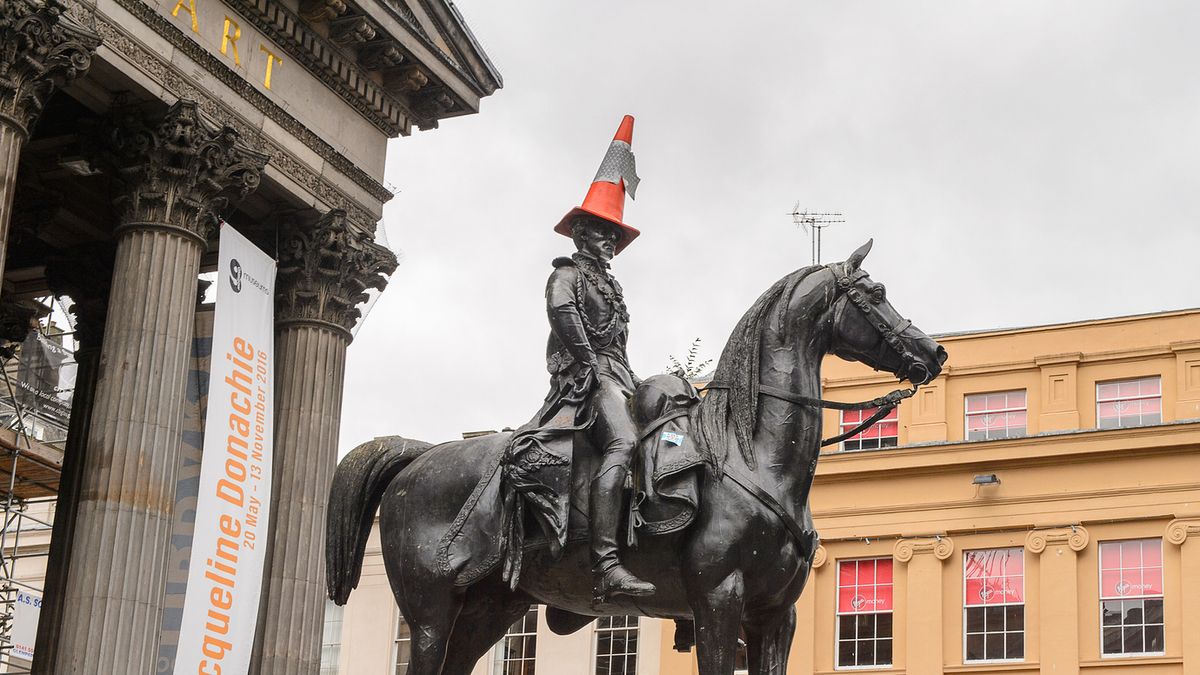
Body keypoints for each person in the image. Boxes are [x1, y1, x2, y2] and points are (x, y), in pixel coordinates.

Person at [542, 115, 654, 600]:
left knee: (671, 433)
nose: (611, 239)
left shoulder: (612, 285)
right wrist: (589, 363)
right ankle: (605, 563)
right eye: (604, 230)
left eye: (616, 234)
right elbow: (562, 314)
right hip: (585, 378)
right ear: (580, 232)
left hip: (618, 374)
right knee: (624, 442)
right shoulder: (566, 275)